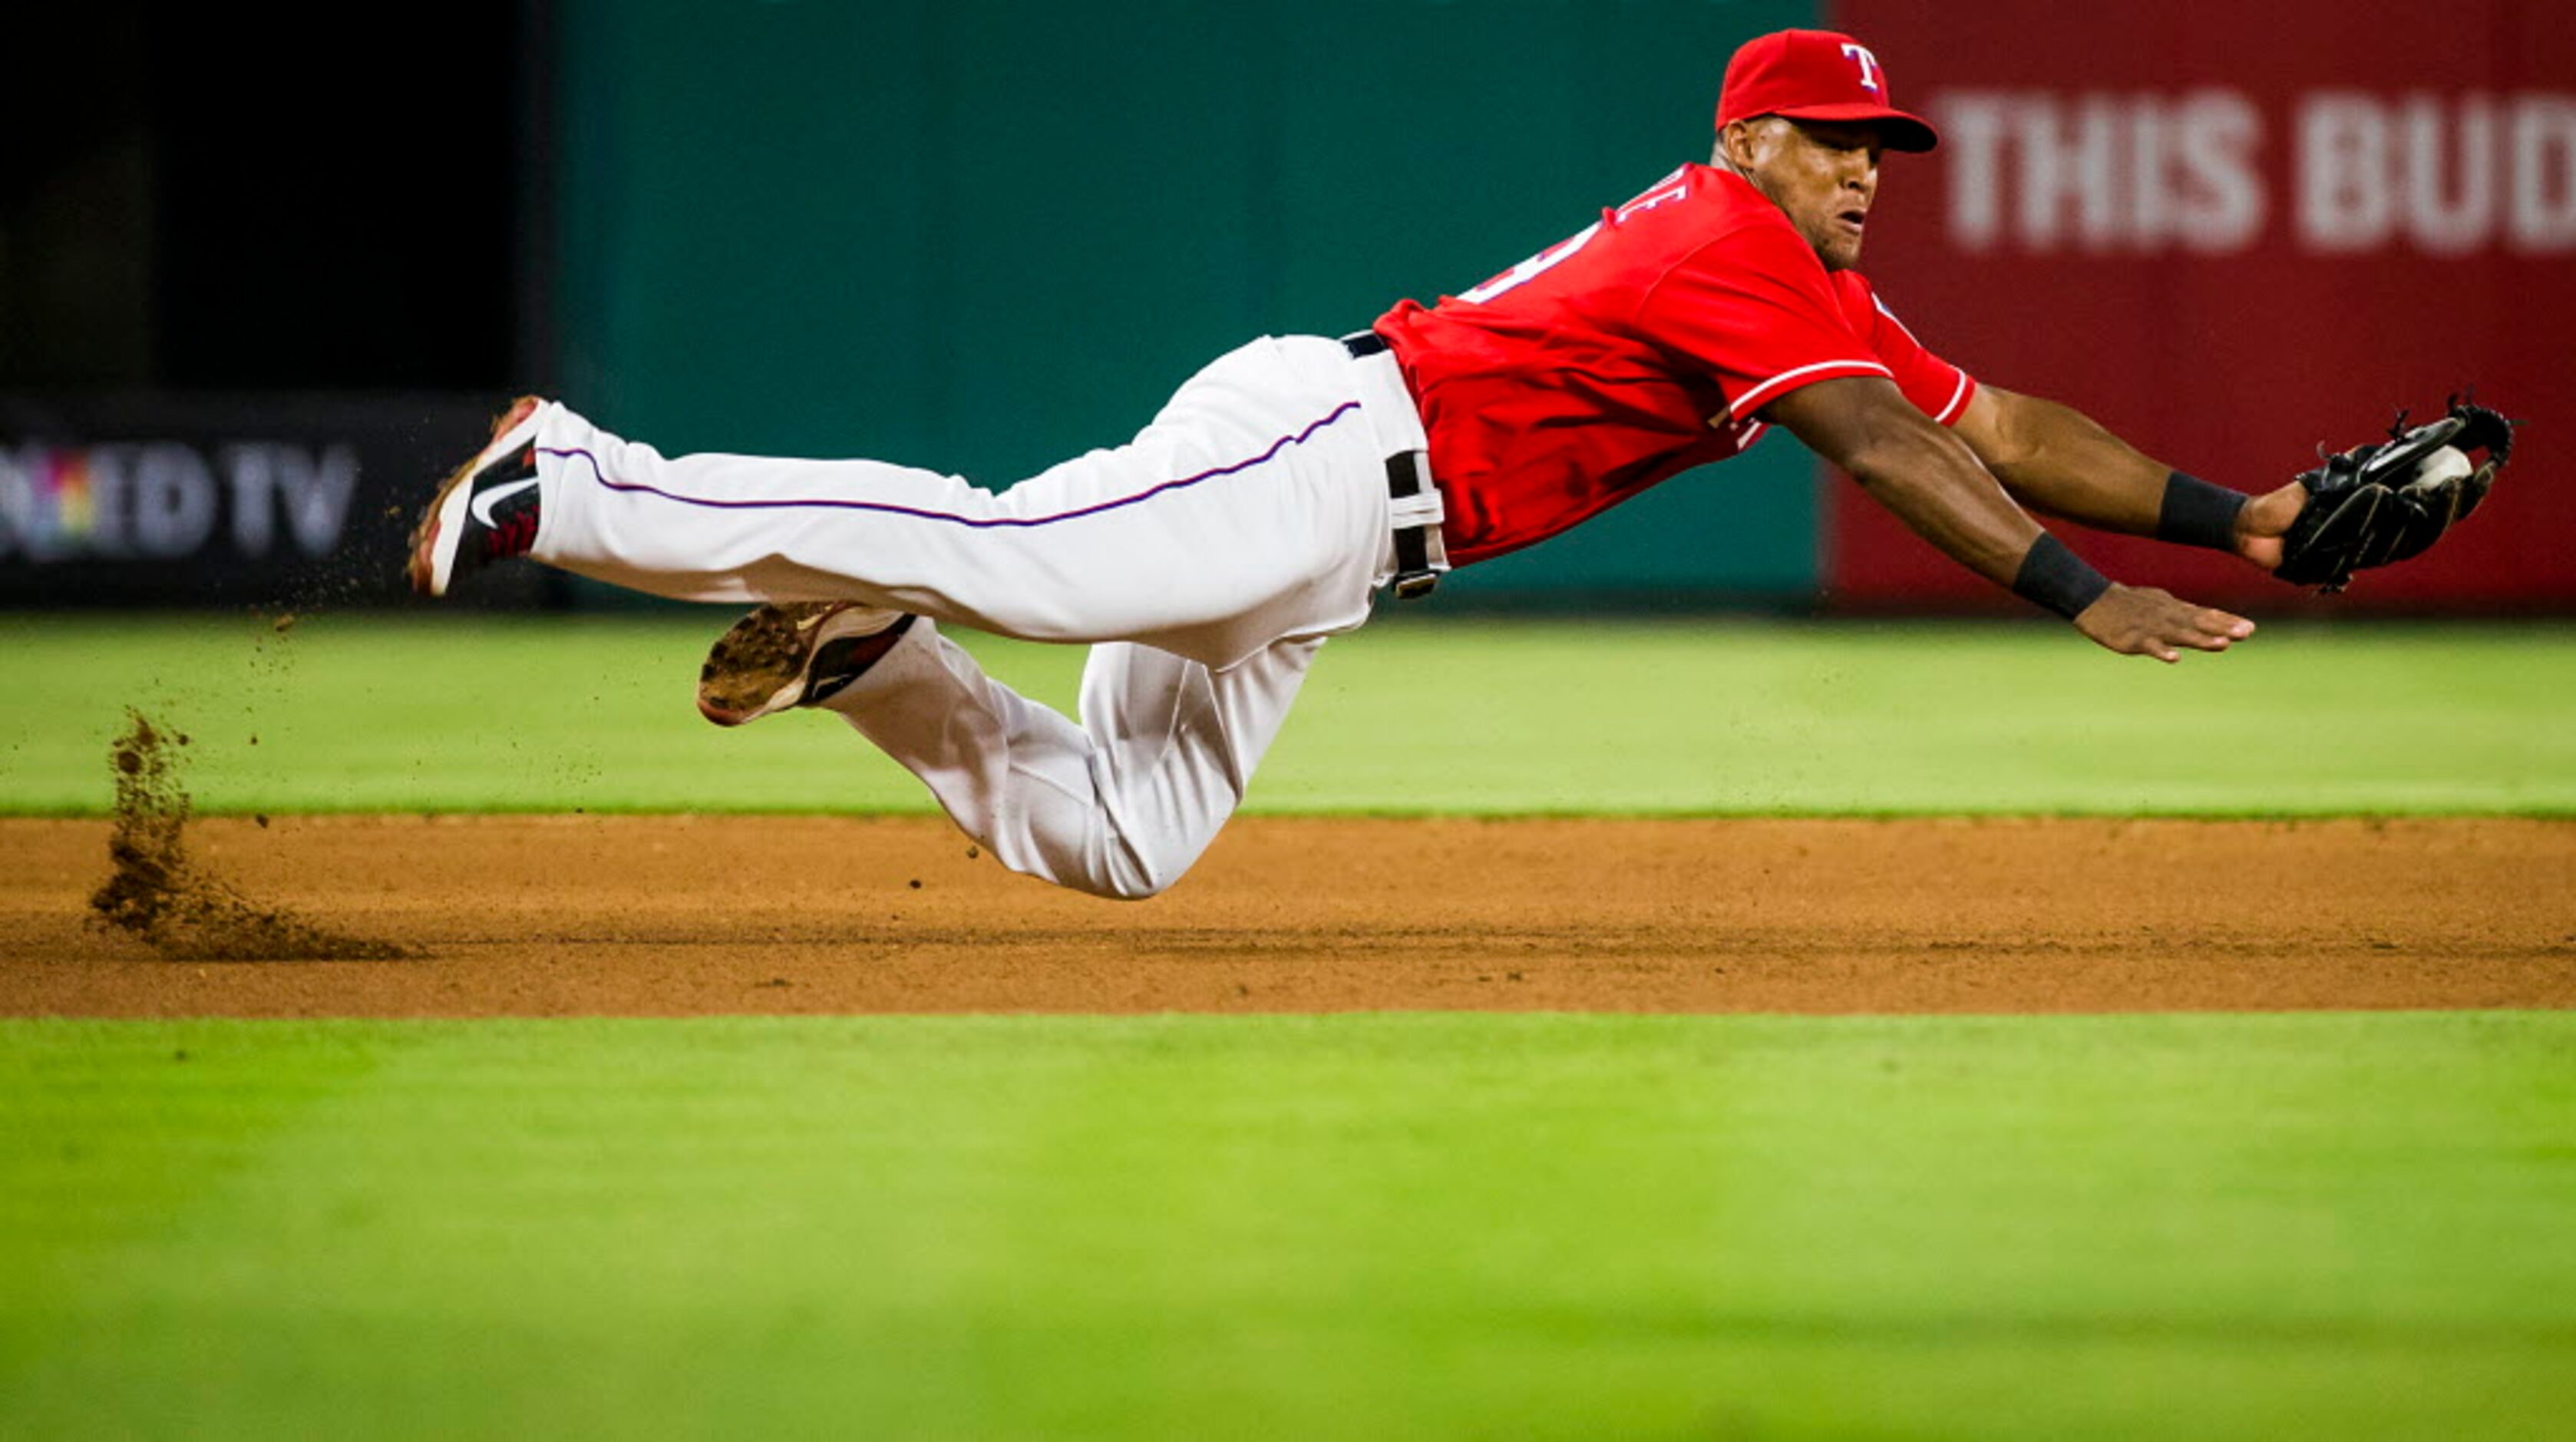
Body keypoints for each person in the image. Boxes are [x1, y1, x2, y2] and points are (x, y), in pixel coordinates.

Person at [409, 28, 2307, 901]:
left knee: (1128, 843)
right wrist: (2078, 594)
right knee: (1025, 550)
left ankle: (870, 655)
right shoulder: (1733, 247)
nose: (1861, 169)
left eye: (1878, 147)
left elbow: (2000, 428)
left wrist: (2247, 519)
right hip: (1329, 450)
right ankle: (579, 480)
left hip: (1348, 554)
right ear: (1745, 147)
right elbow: (1885, 453)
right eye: (1829, 139)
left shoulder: (1815, 283)